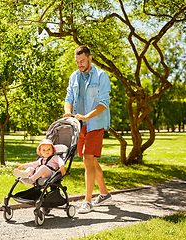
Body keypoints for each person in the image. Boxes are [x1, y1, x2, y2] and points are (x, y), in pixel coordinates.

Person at [63, 45, 112, 213]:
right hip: (79, 125)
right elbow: (69, 97)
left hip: (95, 123)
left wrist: (86, 117)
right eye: (77, 62)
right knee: (91, 160)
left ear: (90, 58)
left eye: (82, 61)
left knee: (87, 160)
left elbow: (104, 103)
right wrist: (68, 112)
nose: (79, 64)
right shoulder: (74, 77)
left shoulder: (101, 76)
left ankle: (88, 201)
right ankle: (104, 193)